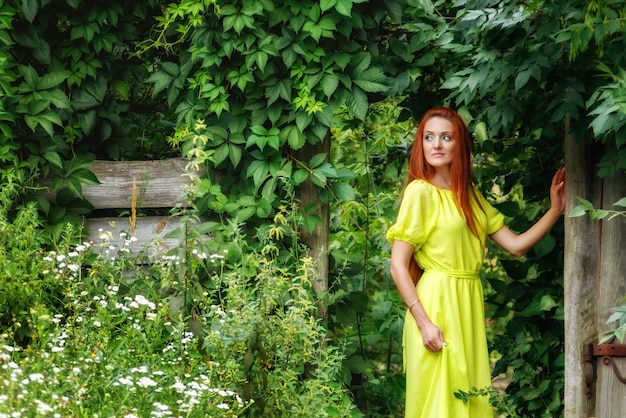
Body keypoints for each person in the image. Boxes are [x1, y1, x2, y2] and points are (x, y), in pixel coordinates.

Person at [386, 107, 565, 417]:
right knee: (439, 404)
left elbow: (516, 246)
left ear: (460, 145)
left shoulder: (469, 196)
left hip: (468, 302)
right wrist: (423, 322)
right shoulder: (420, 193)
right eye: (429, 137)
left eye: (446, 137)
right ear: (421, 144)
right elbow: (397, 265)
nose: (437, 145)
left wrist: (554, 210)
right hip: (435, 304)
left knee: (471, 401)